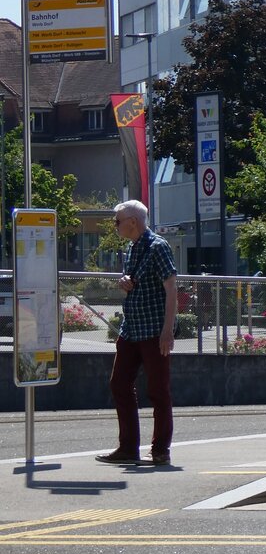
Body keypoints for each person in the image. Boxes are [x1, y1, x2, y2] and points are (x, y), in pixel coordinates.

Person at [96, 200, 179, 467]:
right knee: (119, 383)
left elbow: (171, 288)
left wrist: (168, 330)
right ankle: (129, 447)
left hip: (153, 331)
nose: (115, 225)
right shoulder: (133, 248)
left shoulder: (158, 247)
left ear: (133, 221)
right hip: (131, 330)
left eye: (117, 221)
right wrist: (124, 281)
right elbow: (135, 282)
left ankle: (160, 450)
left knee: (158, 391)